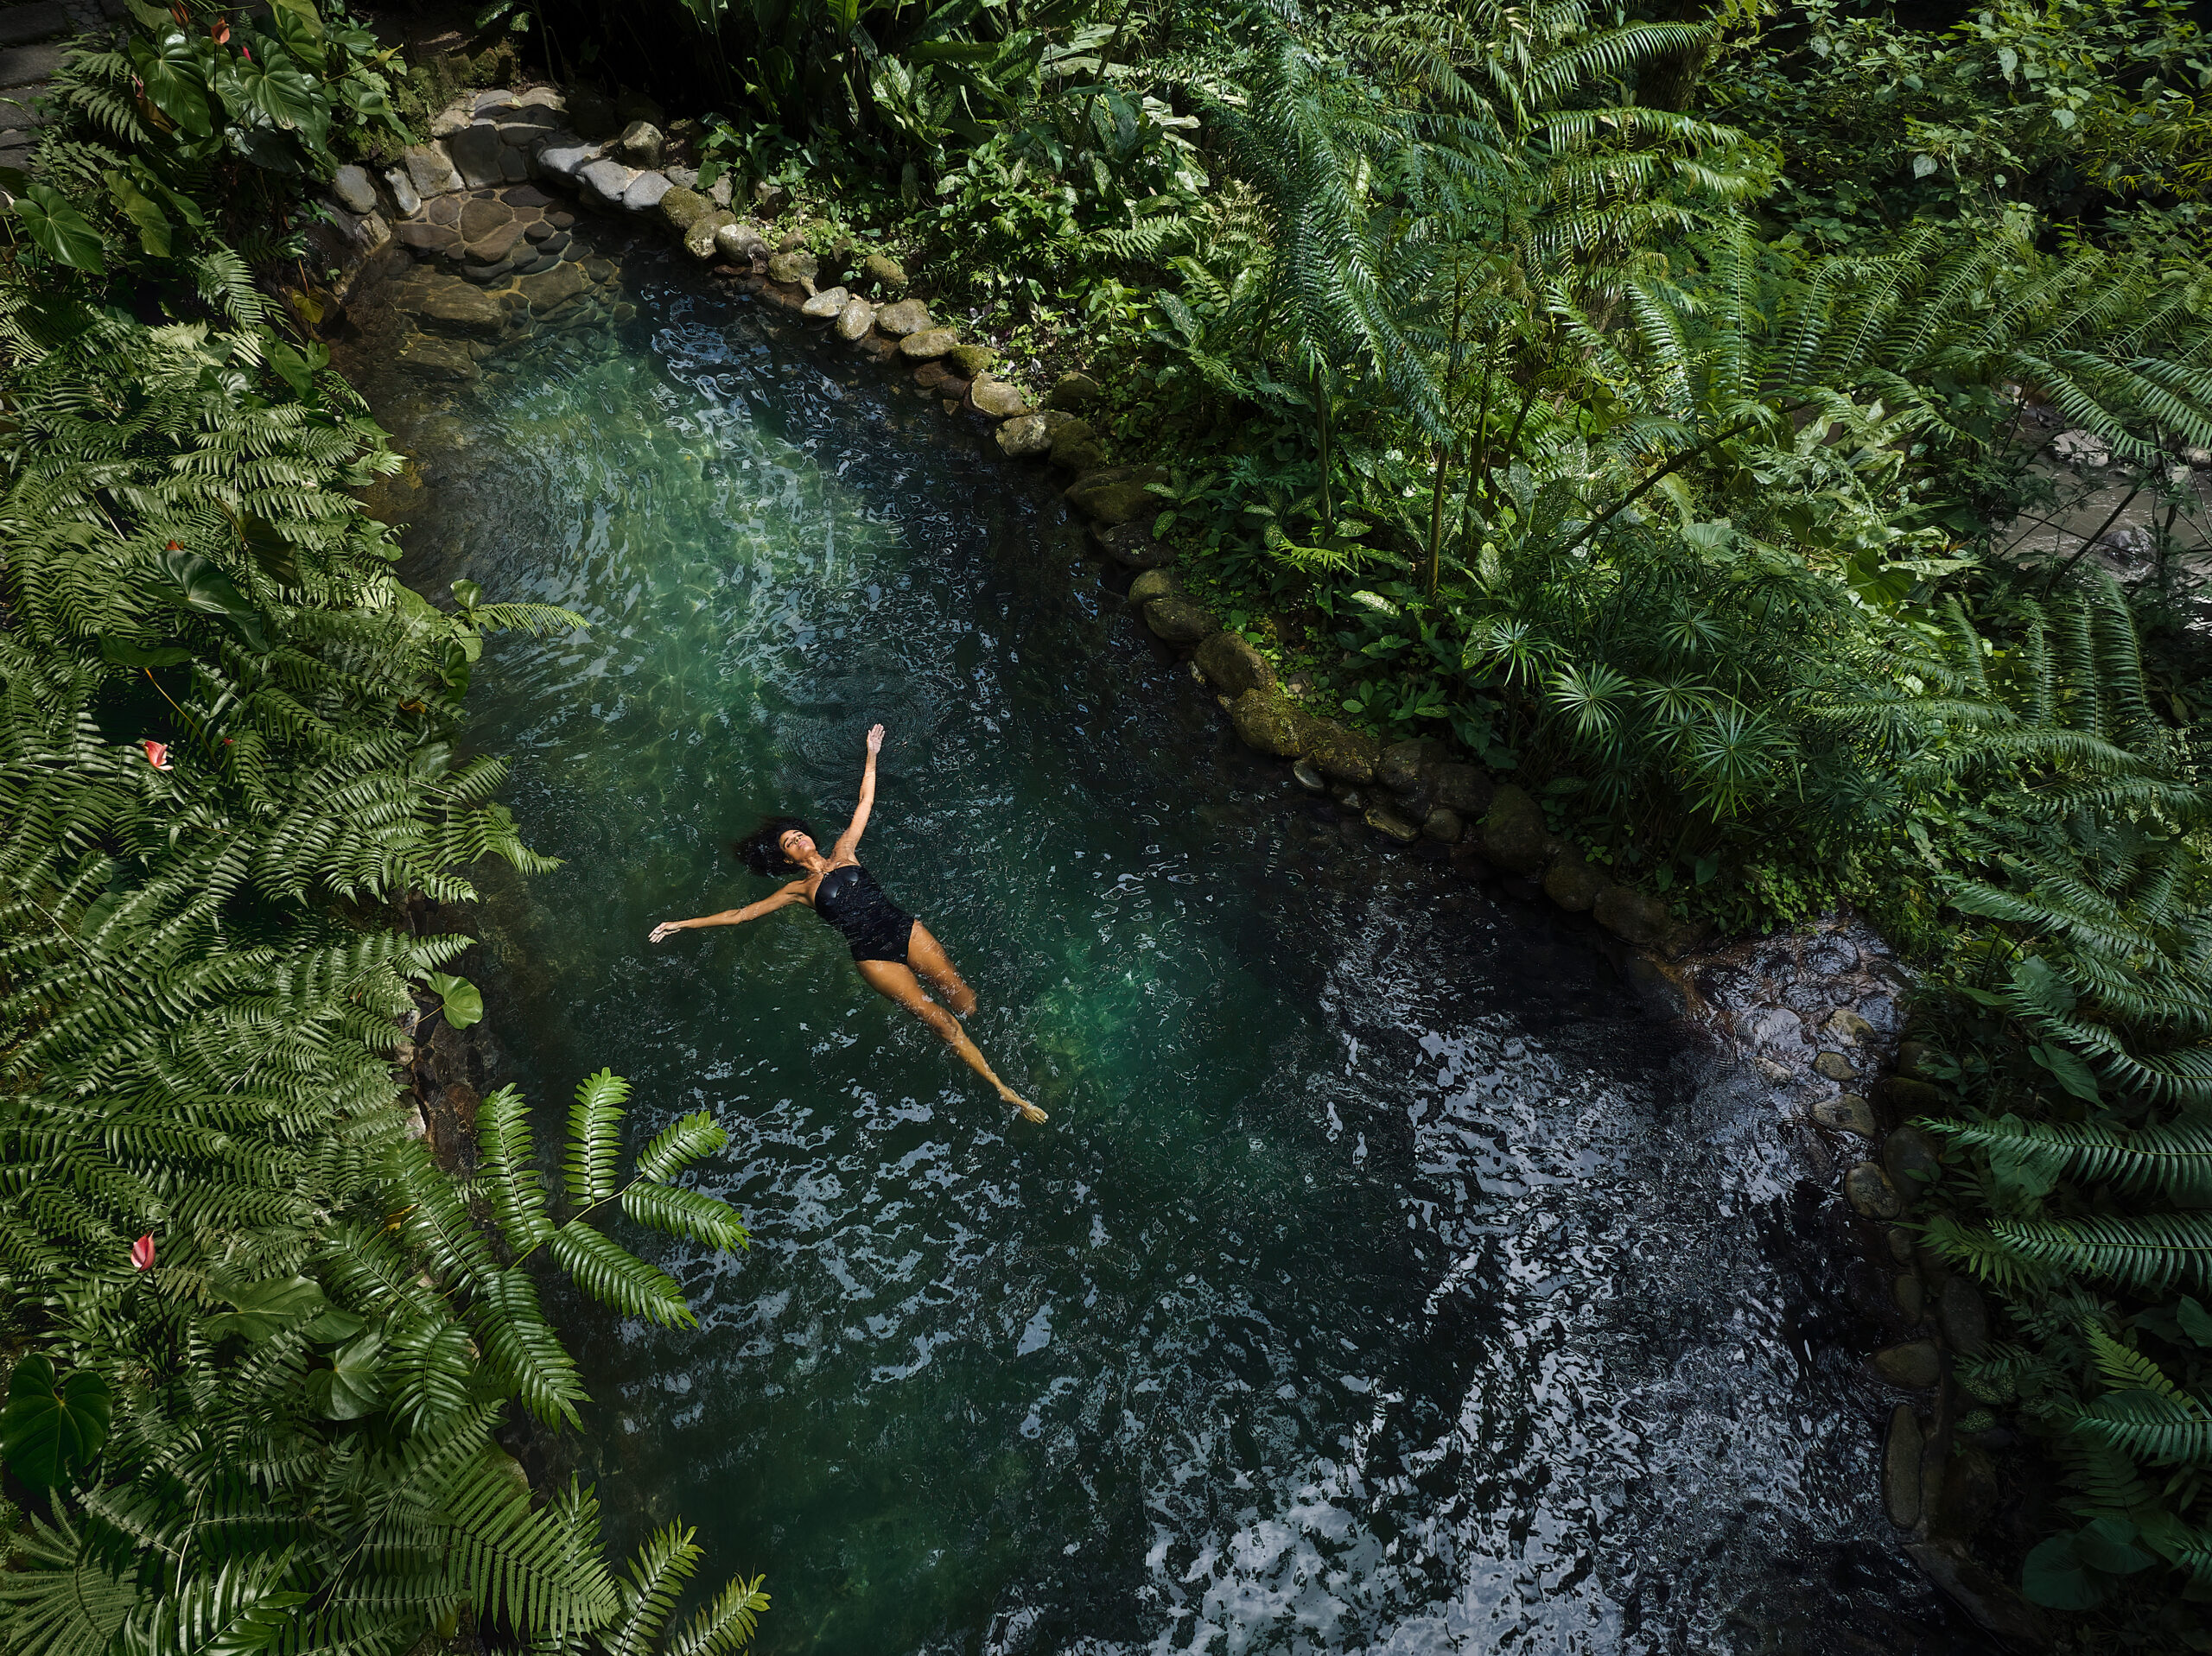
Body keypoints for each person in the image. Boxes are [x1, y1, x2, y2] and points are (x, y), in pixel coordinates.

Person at [649, 724, 1046, 1124]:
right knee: (941, 1023)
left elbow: (864, 802)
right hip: (874, 958)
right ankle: (1003, 1089)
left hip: (905, 930)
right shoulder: (798, 890)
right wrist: (682, 924)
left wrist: (872, 754)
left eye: (799, 834)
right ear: (788, 860)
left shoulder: (844, 850)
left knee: (964, 999)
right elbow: (740, 914)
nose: (799, 840)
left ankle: (1012, 1042)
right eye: (790, 842)